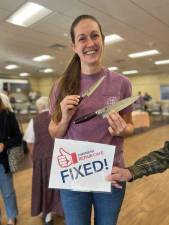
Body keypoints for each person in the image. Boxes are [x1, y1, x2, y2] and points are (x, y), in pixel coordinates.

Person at [48, 14, 134, 225]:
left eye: (95, 36)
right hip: (74, 174)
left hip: (110, 174)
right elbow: (54, 133)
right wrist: (65, 119)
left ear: (103, 39)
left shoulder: (122, 83)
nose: (90, 43)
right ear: (74, 46)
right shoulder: (62, 85)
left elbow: (130, 126)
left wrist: (121, 130)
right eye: (82, 38)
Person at [23, 96, 63, 225]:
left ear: (38, 107)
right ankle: (64, 211)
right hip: (60, 157)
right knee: (61, 186)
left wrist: (33, 157)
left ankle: (48, 217)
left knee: (46, 188)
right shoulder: (58, 117)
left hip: (42, 159)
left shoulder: (34, 121)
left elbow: (30, 142)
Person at [0, 93, 22, 225]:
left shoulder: (8, 116)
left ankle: (12, 217)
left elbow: (18, 137)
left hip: (3, 161)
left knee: (8, 192)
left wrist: (4, 145)